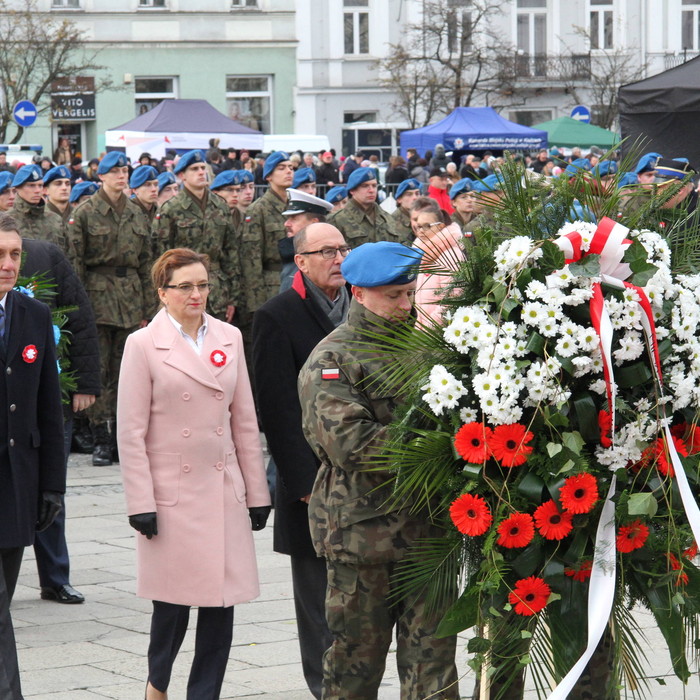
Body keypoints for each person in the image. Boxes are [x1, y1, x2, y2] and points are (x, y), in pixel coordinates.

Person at [298, 241, 459, 700]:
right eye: (394, 296)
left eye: (410, 293)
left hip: (429, 535)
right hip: (362, 537)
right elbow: (352, 444)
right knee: (355, 665)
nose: (405, 305)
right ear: (360, 292)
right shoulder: (331, 359)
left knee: (434, 666)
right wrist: (444, 448)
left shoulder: (427, 349)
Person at [117, 248, 271, 700]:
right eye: (185, 286)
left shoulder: (229, 336)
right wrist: (140, 503)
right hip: (172, 493)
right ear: (162, 292)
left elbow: (244, 419)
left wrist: (257, 492)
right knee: (171, 605)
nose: (196, 294)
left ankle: (205, 694)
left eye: (202, 285)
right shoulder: (142, 344)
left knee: (221, 606)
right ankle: (157, 683)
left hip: (222, 488)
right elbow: (131, 432)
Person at [252, 223, 349, 698]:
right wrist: (303, 482)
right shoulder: (277, 315)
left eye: (342, 249)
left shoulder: (364, 303)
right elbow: (275, 407)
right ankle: (323, 686)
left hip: (364, 481)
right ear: (302, 260)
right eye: (326, 251)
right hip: (311, 482)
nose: (337, 258)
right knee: (317, 598)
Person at [0, 213, 66, 699]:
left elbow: (49, 406)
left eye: (15, 255)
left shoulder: (33, 315)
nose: (8, 265)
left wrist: (52, 487)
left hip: (15, 483)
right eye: (0, 255)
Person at [23, 238, 100, 605]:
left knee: (50, 483)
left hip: (47, 391)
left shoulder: (42, 254)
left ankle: (55, 577)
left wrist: (84, 383)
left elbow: (78, 315)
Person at [68, 150, 152, 467]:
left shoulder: (136, 213)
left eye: (125, 170)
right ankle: (100, 437)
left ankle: (120, 435)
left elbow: (146, 263)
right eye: (114, 171)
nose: (121, 175)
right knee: (98, 372)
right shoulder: (86, 213)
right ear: (100, 176)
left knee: (125, 374)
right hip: (97, 299)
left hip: (130, 299)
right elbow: (76, 265)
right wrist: (79, 308)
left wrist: (148, 306)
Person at [153, 149, 240, 323]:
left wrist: (233, 297)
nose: (201, 172)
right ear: (182, 175)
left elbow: (231, 253)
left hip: (216, 290)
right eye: (194, 169)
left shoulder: (220, 206)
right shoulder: (171, 209)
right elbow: (161, 255)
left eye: (203, 167)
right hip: (182, 289)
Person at [240, 150, 294, 313]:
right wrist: (255, 302)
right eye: (281, 168)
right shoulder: (258, 210)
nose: (288, 171)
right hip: (271, 285)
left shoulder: (296, 206)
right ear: (268, 176)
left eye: (291, 167)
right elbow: (251, 259)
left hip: (297, 280)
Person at [411, 205, 465, 323]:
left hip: (439, 331)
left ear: (441, 226)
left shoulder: (450, 255)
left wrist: (428, 329)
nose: (420, 231)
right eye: (418, 226)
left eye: (427, 226)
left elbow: (452, 300)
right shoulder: (425, 252)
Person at [8, 164, 73, 258]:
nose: (37, 190)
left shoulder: (55, 220)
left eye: (40, 185)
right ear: (17, 188)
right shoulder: (7, 220)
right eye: (31, 186)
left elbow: (68, 257)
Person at [328, 167, 399, 248]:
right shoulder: (337, 219)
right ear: (352, 190)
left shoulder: (387, 218)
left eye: (374, 185)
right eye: (365, 186)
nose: (371, 190)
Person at [279, 189, 333, 292]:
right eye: (288, 218)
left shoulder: (321, 260)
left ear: (313, 223)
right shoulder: (292, 253)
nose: (287, 224)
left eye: (294, 218)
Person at [391, 178, 421, 244]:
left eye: (417, 193)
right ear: (399, 199)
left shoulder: (424, 217)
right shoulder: (392, 222)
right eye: (409, 194)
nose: (415, 197)